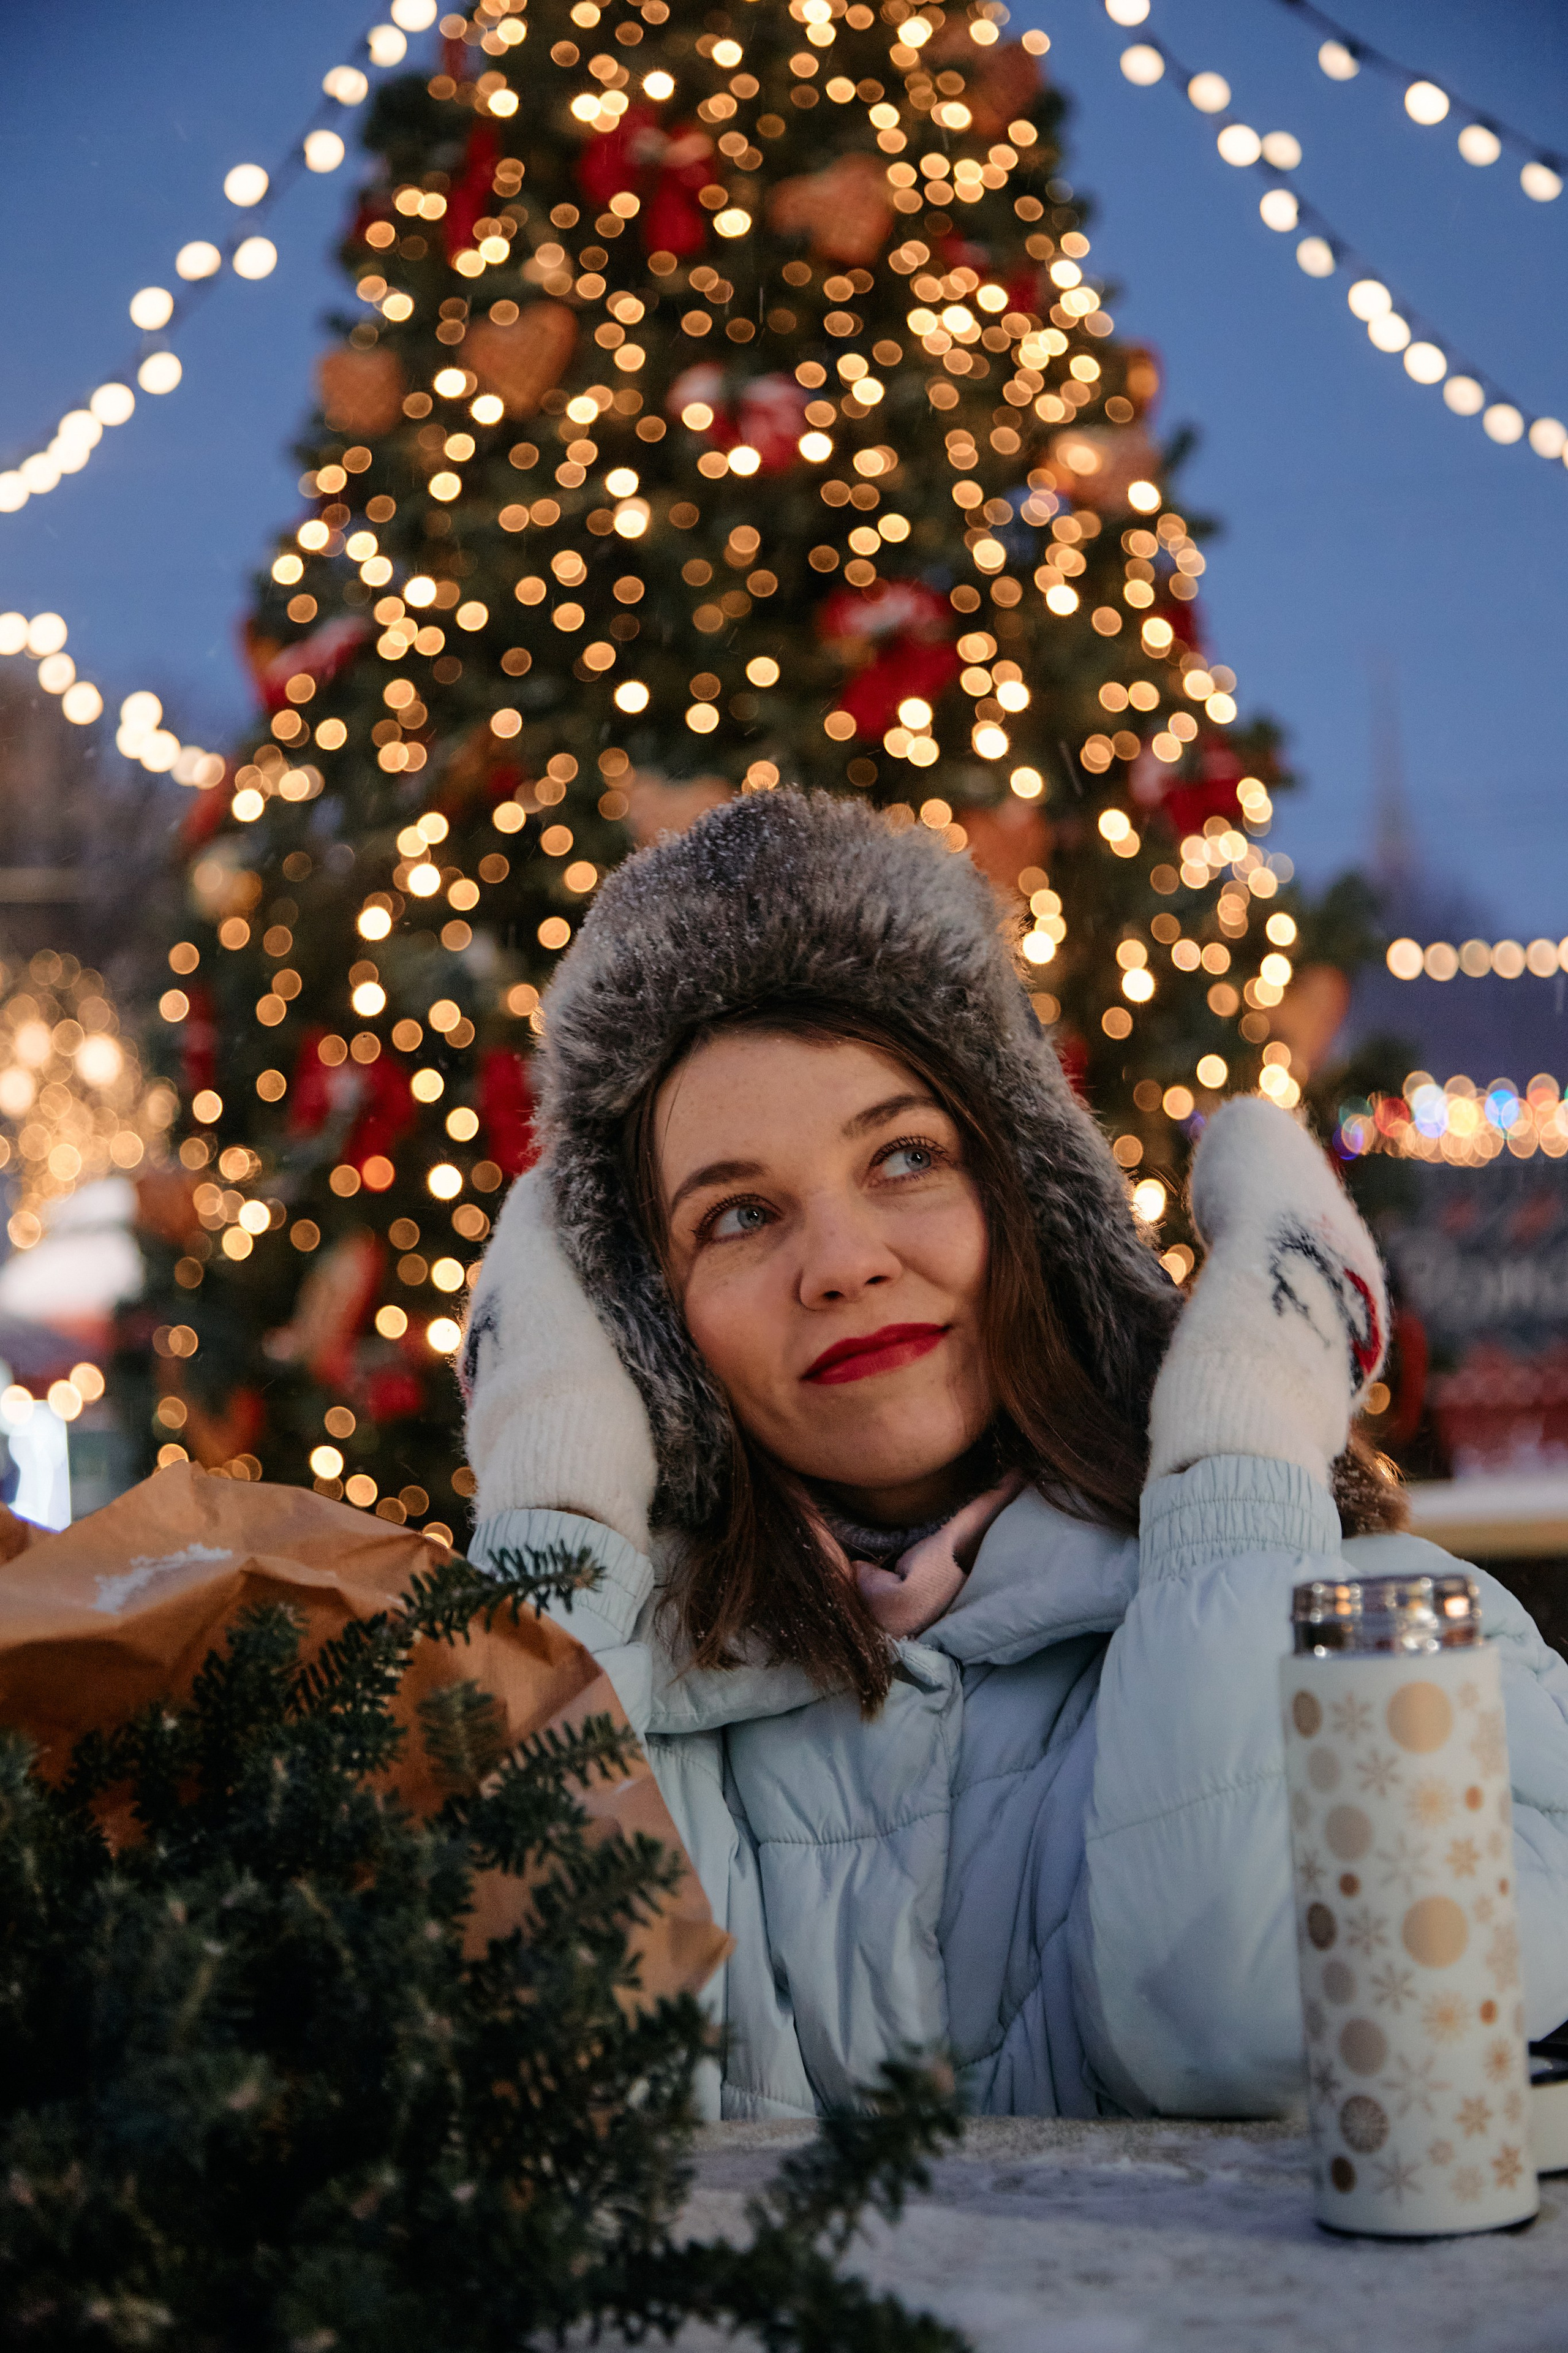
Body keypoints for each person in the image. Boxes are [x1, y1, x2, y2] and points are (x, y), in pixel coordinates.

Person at [462, 790, 1568, 2121]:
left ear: (1027, 1199)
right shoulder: (636, 1694)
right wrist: (555, 1509)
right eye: (740, 1215)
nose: (844, 1262)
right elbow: (543, 2114)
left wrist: (1236, 1452)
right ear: (643, 1318)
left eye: (905, 1158)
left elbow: (1244, 2021)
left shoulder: (1407, 1637)